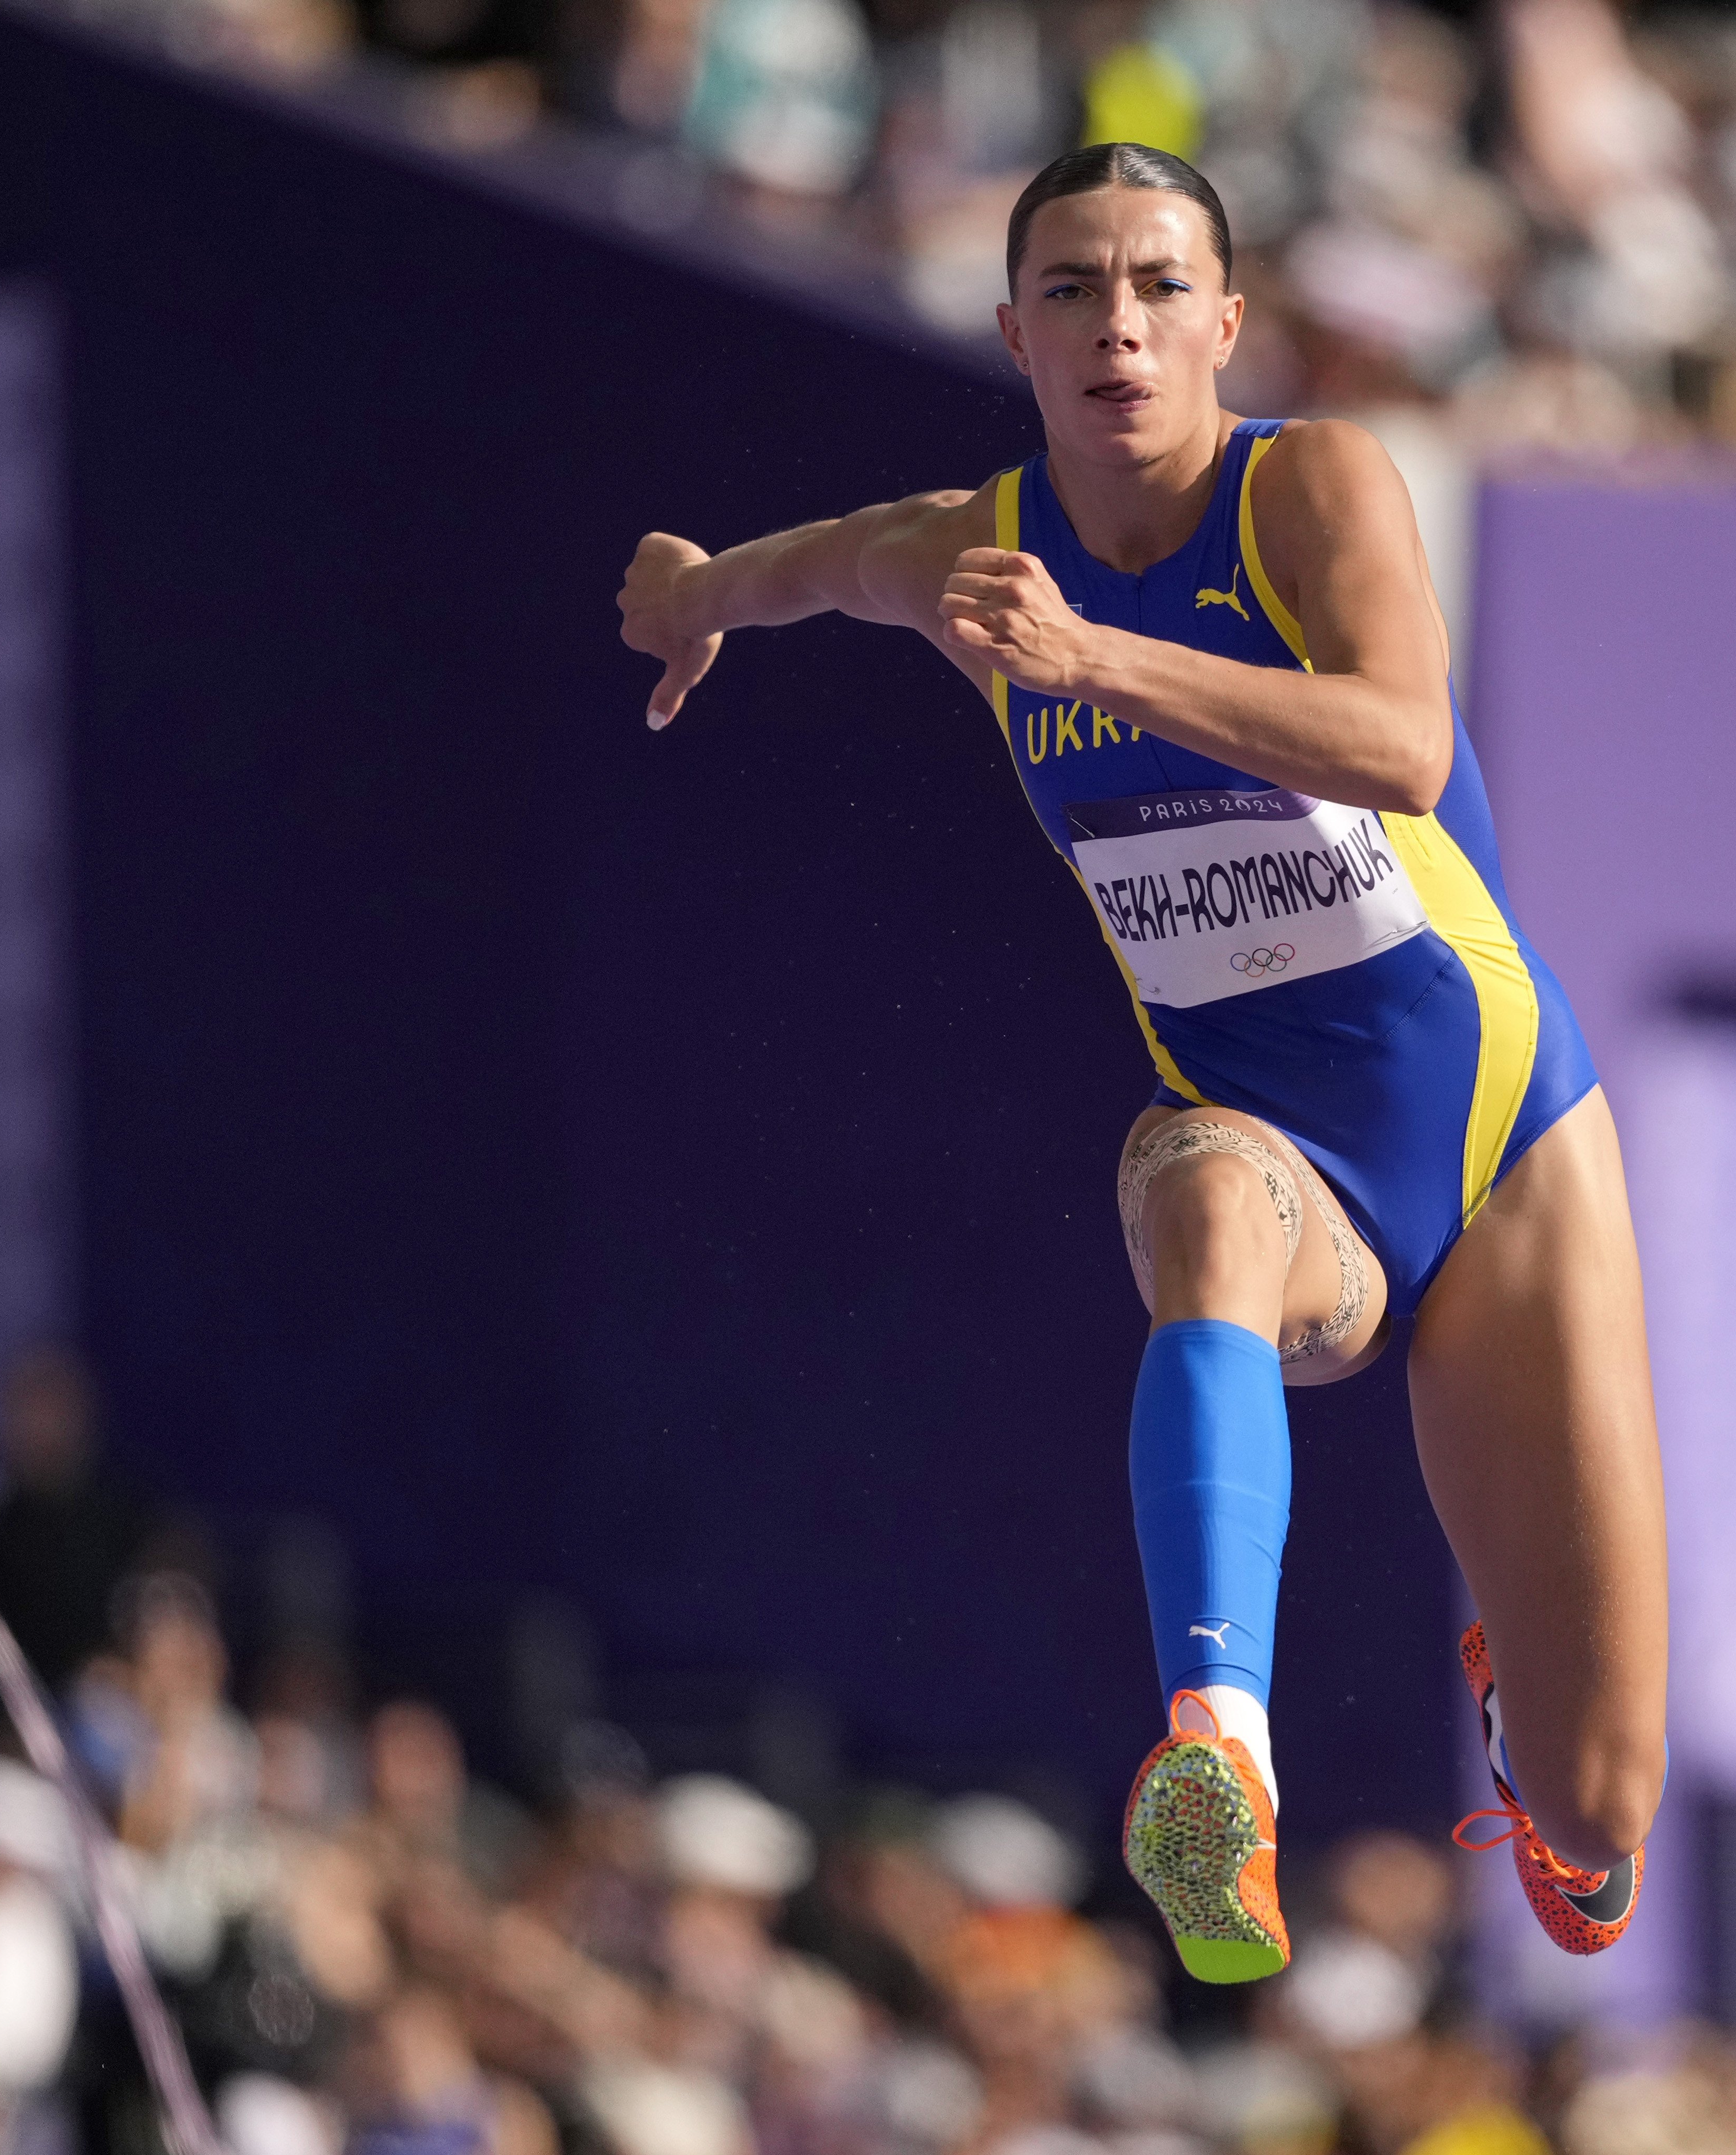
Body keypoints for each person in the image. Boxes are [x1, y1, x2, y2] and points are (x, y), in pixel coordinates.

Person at [615, 142, 1666, 1981]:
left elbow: (1403, 746)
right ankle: (1220, 1759)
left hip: (1503, 1139)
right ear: (1014, 333)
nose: (1120, 325)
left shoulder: (1310, 484)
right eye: (1075, 291)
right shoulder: (972, 554)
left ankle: (1523, 1718)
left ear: (1224, 322)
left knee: (1599, 1814)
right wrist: (701, 594)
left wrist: (1093, 659)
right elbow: (827, 567)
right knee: (1197, 1200)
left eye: (1161, 286)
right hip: (1276, 1148)